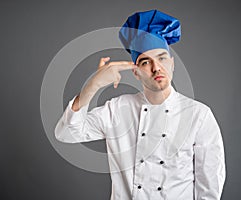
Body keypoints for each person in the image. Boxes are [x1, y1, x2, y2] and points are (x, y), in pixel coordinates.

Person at [55, 10, 226, 200]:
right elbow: (65, 133)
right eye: (146, 62)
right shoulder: (117, 110)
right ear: (136, 72)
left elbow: (209, 188)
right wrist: (94, 84)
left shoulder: (198, 115)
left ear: (172, 63)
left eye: (161, 58)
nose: (156, 68)